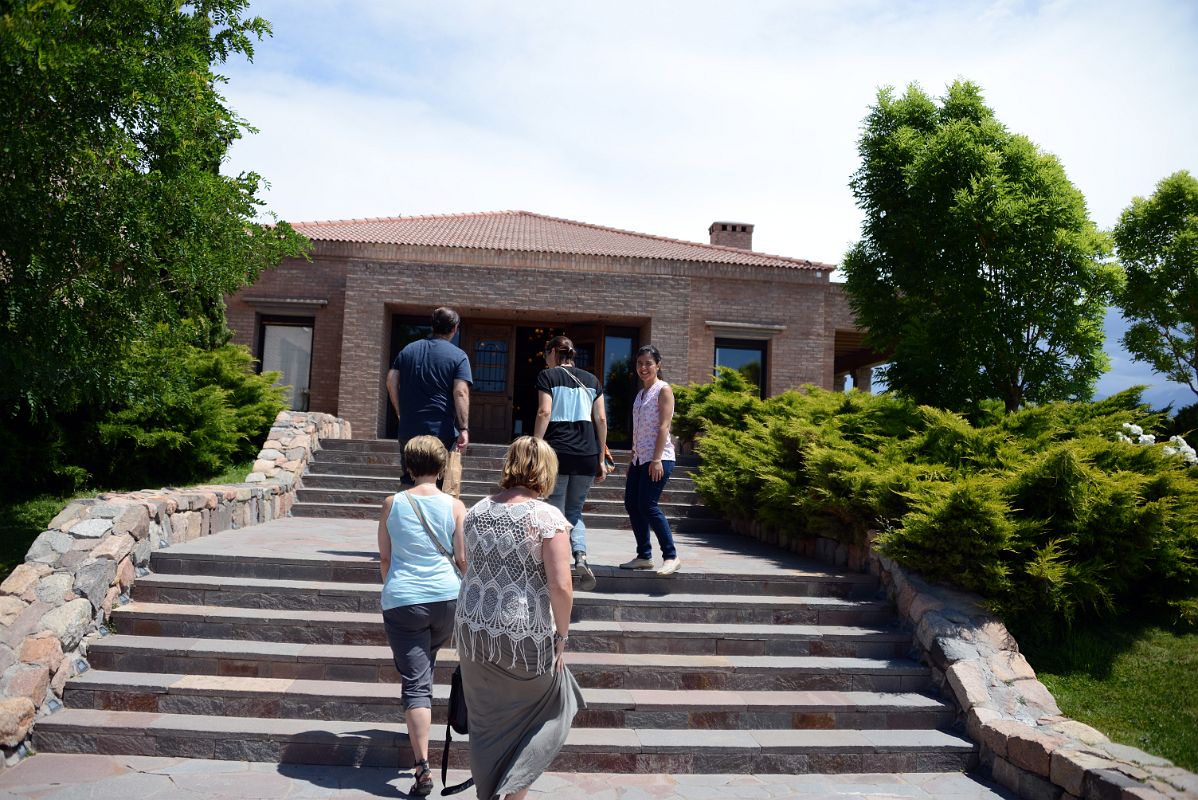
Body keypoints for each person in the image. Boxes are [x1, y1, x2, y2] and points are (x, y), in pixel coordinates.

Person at [454, 436, 584, 800]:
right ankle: (513, 794)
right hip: (520, 633)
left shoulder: (477, 509)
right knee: (554, 708)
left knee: (486, 727)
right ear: (546, 470)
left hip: (473, 627)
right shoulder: (546, 517)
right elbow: (561, 585)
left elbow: (465, 562)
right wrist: (562, 636)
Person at [376, 436, 468, 797]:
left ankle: (422, 766)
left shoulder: (391, 504)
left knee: (415, 684)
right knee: (424, 668)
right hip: (447, 599)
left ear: (409, 466)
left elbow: (384, 558)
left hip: (403, 601)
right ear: (442, 466)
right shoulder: (456, 506)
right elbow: (462, 558)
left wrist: (396, 588)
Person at [533, 335, 607, 591]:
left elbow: (544, 412)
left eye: (546, 353)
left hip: (558, 453)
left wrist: (535, 446)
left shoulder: (548, 376)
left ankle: (557, 563)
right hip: (587, 453)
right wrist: (600, 458)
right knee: (574, 512)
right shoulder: (593, 380)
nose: (546, 359)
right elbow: (601, 419)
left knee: (555, 512)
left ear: (554, 352)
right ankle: (580, 556)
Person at [386, 307, 472, 486]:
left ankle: (406, 511)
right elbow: (460, 392)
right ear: (454, 328)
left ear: (432, 326)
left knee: (410, 480)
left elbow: (391, 380)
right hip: (440, 431)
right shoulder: (458, 356)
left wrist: (401, 412)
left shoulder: (408, 350)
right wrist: (463, 428)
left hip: (409, 428)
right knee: (437, 483)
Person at [620, 344, 681, 576]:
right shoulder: (640, 394)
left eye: (648, 363)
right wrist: (633, 459)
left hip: (659, 458)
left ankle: (671, 556)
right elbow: (639, 430)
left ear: (658, 365)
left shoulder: (663, 390)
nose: (643, 368)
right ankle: (644, 555)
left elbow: (664, 427)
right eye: (639, 363)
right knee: (631, 504)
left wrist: (656, 460)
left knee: (648, 505)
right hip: (640, 460)